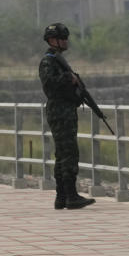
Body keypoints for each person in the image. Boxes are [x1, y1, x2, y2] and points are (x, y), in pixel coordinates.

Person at [39, 22, 95, 209]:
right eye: (62, 38)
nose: (65, 41)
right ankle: (70, 196)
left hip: (64, 110)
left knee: (63, 153)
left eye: (66, 38)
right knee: (69, 153)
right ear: (53, 40)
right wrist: (68, 78)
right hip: (60, 111)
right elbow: (49, 84)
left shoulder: (58, 60)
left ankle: (62, 196)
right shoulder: (48, 61)